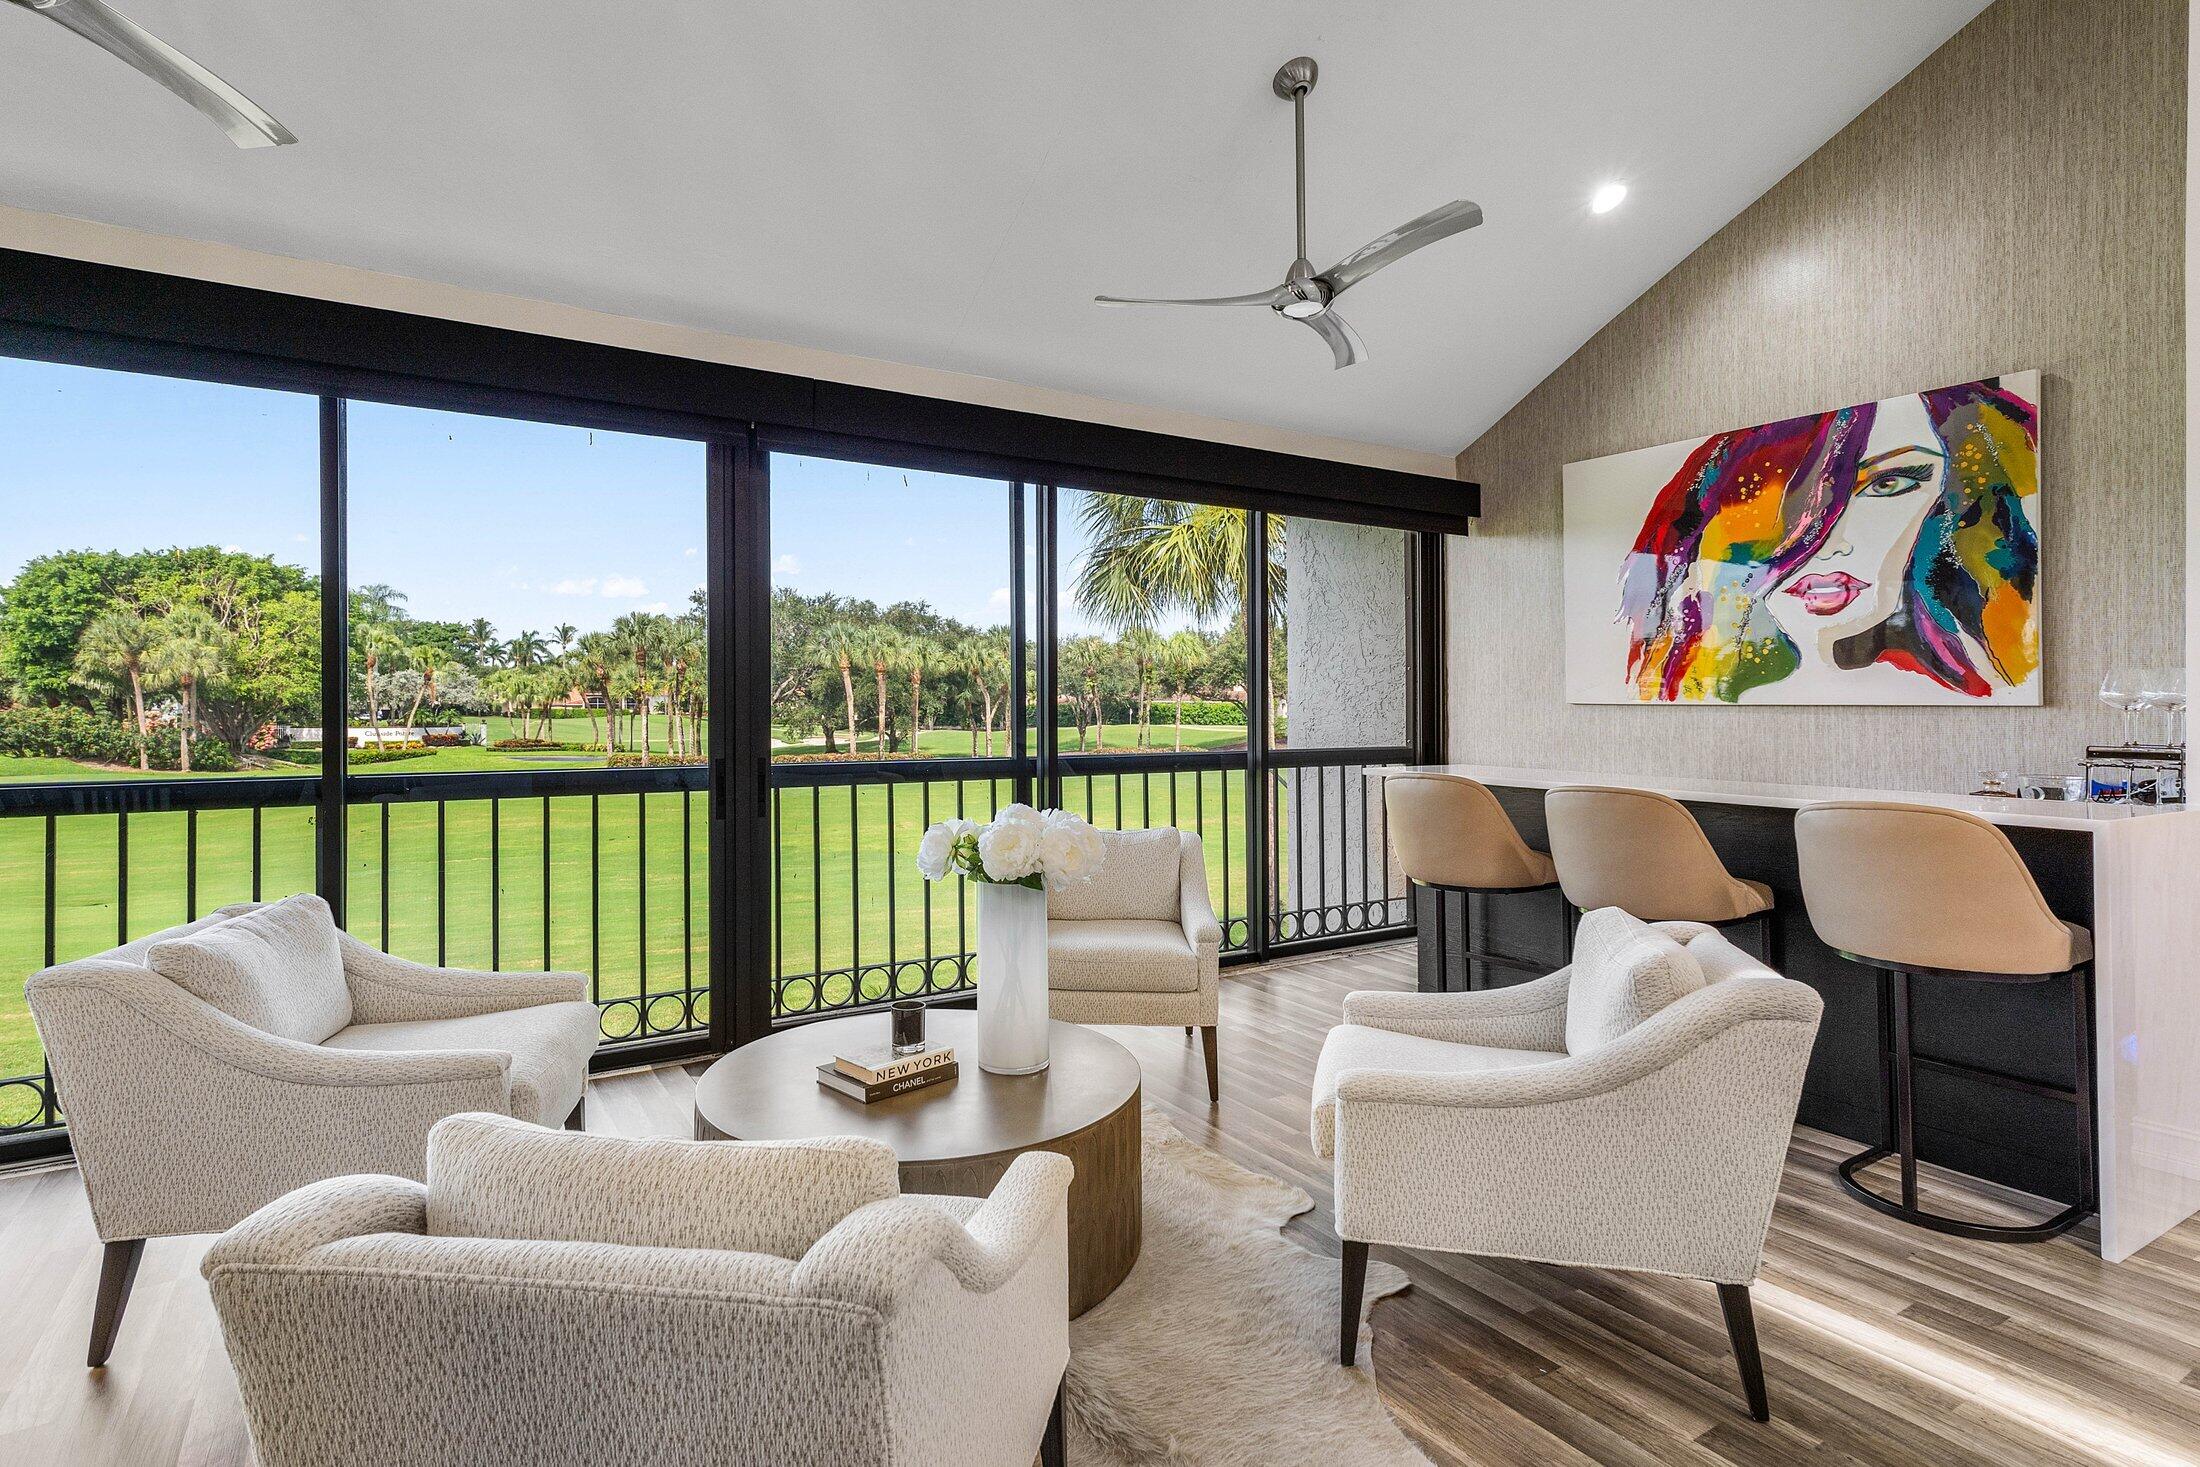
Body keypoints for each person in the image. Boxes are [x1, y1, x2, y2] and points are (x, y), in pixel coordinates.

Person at [1618, 378, 2038, 702]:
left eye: (1888, 484)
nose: (1834, 543)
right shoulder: (1698, 681)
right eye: (1786, 498)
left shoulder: (1977, 679)